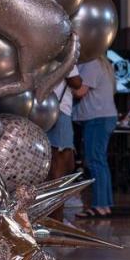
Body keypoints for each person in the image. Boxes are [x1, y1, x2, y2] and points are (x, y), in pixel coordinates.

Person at [72, 57, 118, 219]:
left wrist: (61, 82)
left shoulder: (91, 63)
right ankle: (104, 205)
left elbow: (80, 92)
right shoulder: (102, 64)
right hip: (101, 117)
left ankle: (99, 205)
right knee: (99, 162)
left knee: (95, 162)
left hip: (97, 118)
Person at [46, 66, 83, 219]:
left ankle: (46, 215)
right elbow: (76, 83)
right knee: (61, 165)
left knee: (47, 165)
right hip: (60, 110)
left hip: (40, 110)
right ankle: (57, 218)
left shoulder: (39, 51)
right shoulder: (64, 53)